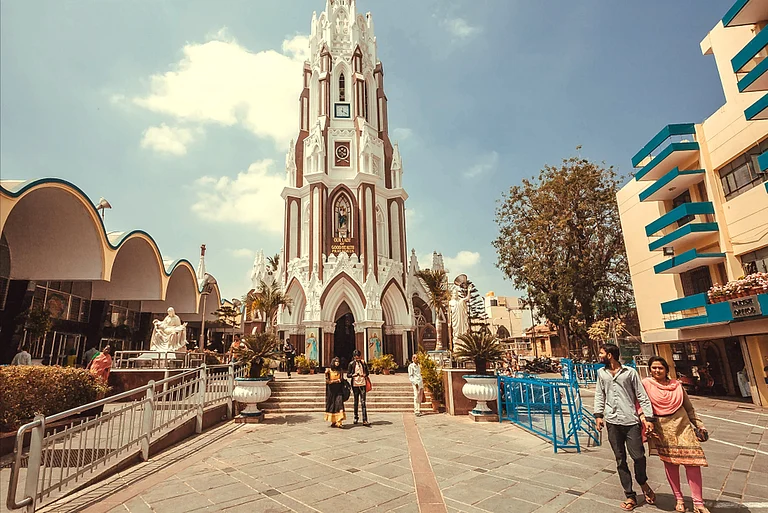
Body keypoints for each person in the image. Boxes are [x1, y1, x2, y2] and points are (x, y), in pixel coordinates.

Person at [640, 356, 709, 513]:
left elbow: (689, 408)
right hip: (662, 430)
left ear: (666, 370)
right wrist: (644, 420)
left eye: (660, 368)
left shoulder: (677, 385)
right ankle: (679, 499)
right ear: (650, 370)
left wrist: (699, 425)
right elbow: (640, 405)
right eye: (654, 368)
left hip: (683, 427)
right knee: (671, 464)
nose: (657, 370)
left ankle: (698, 503)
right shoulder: (645, 385)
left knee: (693, 463)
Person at [594, 343, 656, 511]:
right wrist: (598, 415)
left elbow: (641, 395)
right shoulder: (601, 373)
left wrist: (649, 418)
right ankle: (630, 495)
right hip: (612, 422)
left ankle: (642, 482)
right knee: (620, 459)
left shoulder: (630, 373)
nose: (599, 355)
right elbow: (600, 394)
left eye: (601, 353)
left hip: (630, 421)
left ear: (609, 355)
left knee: (638, 456)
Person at [347, 349, 371, 426]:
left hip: (362, 383)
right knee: (356, 401)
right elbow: (348, 374)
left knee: (363, 402)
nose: (357, 358)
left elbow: (367, 372)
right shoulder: (351, 364)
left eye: (358, 356)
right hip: (355, 384)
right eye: (356, 357)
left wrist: (365, 374)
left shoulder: (363, 363)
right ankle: (355, 417)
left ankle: (365, 419)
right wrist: (353, 375)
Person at [324, 357, 346, 428]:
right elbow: (327, 381)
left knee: (339, 404)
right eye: (336, 362)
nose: (337, 363)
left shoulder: (340, 371)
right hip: (331, 391)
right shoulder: (328, 371)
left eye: (338, 362)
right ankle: (333, 421)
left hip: (339, 390)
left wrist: (339, 381)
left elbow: (342, 379)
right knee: (332, 405)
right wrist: (335, 381)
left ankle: (339, 421)